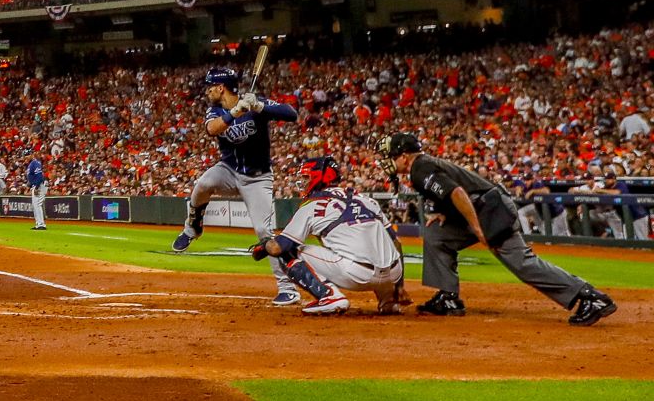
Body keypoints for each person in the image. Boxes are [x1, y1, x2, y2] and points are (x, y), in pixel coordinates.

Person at [377, 132, 616, 325]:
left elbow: (458, 193)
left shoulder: (420, 167)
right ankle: (448, 297)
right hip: (483, 207)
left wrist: (477, 227)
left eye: (390, 154)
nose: (386, 159)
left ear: (404, 155)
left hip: (491, 210)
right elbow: (453, 192)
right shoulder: (424, 165)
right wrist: (445, 212)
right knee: (436, 233)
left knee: (522, 263)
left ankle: (588, 297)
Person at [171, 66, 302, 308]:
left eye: (210, 87)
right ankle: (193, 228)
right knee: (202, 185)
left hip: (257, 178)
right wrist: (234, 112)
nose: (207, 91)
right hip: (229, 171)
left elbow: (291, 114)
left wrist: (260, 107)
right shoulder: (215, 110)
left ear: (221, 88)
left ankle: (288, 288)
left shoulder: (256, 103)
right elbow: (212, 129)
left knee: (264, 231)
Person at [251, 156, 407, 317]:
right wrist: (400, 286)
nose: (303, 182)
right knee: (377, 247)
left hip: (357, 275)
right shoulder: (366, 199)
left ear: (319, 176)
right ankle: (389, 301)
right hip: (393, 274)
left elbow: (278, 248)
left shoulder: (312, 204)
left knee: (290, 251)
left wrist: (265, 244)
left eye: (306, 177)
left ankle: (329, 296)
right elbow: (397, 244)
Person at [27, 152, 48, 230]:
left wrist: (36, 187)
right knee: (35, 205)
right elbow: (33, 176)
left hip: (39, 185)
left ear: (32, 156)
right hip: (35, 185)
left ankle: (41, 224)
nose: (26, 157)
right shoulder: (31, 164)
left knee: (37, 204)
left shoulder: (35, 163)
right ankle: (38, 223)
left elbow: (39, 176)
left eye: (28, 155)